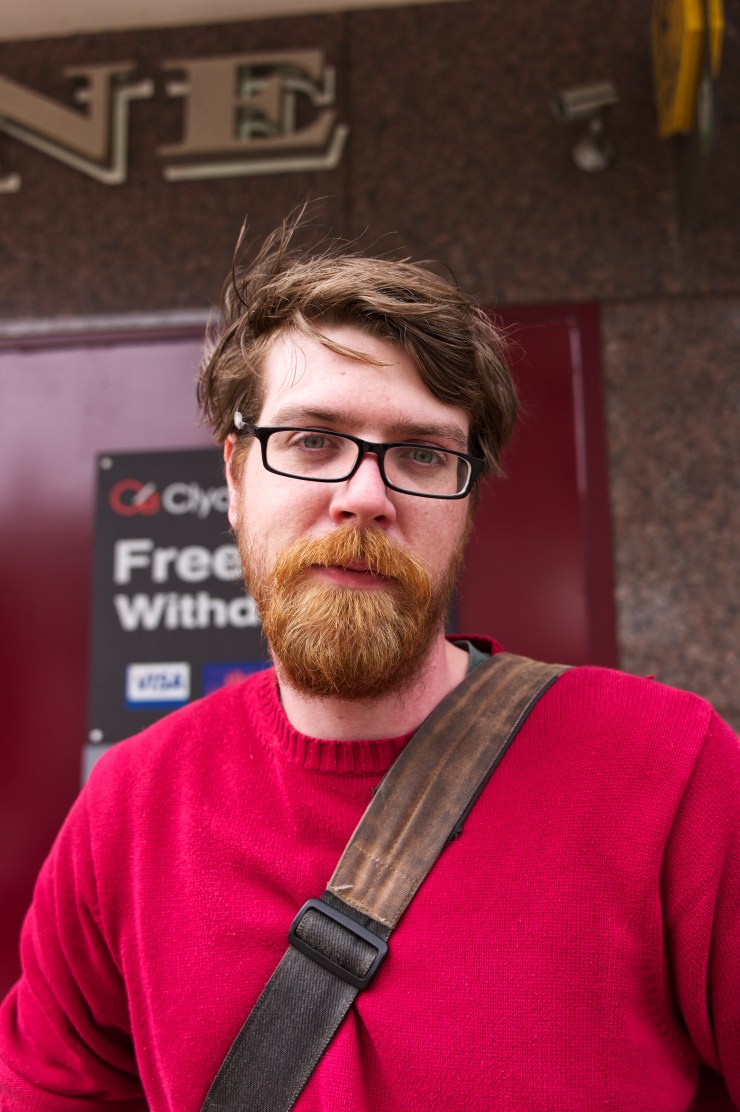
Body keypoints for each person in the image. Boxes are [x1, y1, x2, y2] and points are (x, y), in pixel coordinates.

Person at [1, 213, 738, 1112]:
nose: (364, 497)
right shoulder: (127, 814)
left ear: (467, 502)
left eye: (422, 454)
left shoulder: (668, 770)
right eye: (313, 441)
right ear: (234, 479)